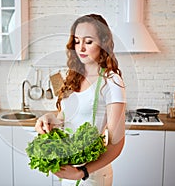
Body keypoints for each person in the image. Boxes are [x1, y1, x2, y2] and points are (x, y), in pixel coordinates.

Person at [35, 14, 126, 186]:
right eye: (77, 41)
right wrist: (48, 118)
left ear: (103, 42)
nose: (81, 48)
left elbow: (117, 143)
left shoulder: (111, 81)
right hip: (69, 169)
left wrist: (81, 172)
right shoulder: (74, 76)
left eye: (88, 42)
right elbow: (65, 117)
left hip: (92, 175)